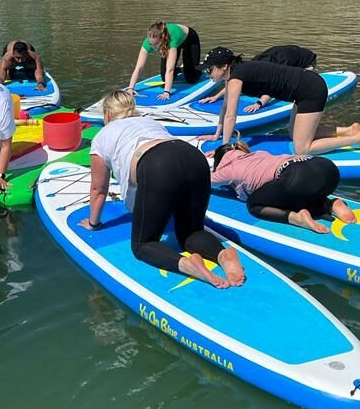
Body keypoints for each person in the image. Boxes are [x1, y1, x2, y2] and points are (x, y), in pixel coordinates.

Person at [79, 89, 245, 289]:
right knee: (190, 233)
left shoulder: (102, 135)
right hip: (194, 157)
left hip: (158, 164)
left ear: (107, 114)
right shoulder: (150, 122)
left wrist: (93, 223)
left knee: (143, 244)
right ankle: (223, 254)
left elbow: (99, 188)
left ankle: (187, 263)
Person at [199, 46, 360, 154]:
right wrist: (217, 135)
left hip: (310, 89)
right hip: (303, 88)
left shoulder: (236, 76)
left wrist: (225, 149)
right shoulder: (234, 74)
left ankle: (357, 139)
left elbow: (231, 116)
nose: (208, 74)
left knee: (303, 149)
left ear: (224, 67)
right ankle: (349, 130)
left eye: (210, 70)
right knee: (293, 134)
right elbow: (225, 107)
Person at [211, 140, 357, 233]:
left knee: (254, 204)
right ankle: (330, 203)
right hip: (326, 168)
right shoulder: (258, 153)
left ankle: (297, 217)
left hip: (297, 178)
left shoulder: (227, 170)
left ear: (220, 162)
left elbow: (206, 180)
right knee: (295, 191)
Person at [199, 44, 318, 111]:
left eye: (210, 70)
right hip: (289, 53)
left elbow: (273, 85)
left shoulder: (272, 69)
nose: (208, 74)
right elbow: (234, 82)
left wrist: (259, 103)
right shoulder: (249, 67)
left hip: (306, 63)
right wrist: (216, 96)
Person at [128, 21, 202, 100]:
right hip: (171, 41)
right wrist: (131, 88)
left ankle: (199, 68)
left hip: (189, 39)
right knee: (164, 78)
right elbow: (139, 67)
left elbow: (170, 70)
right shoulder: (147, 43)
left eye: (156, 44)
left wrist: (166, 92)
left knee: (191, 79)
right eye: (151, 44)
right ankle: (182, 68)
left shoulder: (171, 42)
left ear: (162, 39)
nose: (153, 47)